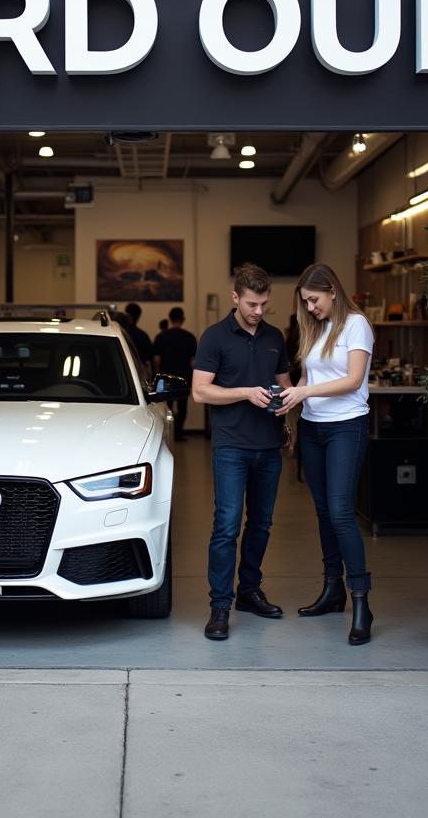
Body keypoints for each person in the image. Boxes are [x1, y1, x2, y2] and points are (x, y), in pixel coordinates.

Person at [275, 262, 375, 646]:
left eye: (314, 300)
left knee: (340, 512)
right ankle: (332, 590)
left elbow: (352, 380)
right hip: (314, 428)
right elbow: (308, 377)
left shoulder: (356, 325)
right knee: (321, 511)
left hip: (346, 426)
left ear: (332, 290)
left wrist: (304, 394)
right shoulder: (316, 328)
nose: (311, 307)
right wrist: (291, 401)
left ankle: (362, 600)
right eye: (306, 302)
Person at [192, 263, 293, 641]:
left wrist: (289, 416)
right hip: (231, 446)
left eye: (265, 304)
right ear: (236, 298)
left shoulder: (274, 337)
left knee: (262, 524)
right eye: (252, 304)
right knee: (227, 526)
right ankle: (220, 605)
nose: (259, 311)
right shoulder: (214, 337)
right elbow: (201, 391)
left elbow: (286, 384)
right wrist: (246, 392)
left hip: (269, 446)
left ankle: (249, 591)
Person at [152, 307, 197, 442]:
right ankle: (179, 434)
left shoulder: (161, 337)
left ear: (170, 318)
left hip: (166, 377)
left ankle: (166, 435)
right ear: (183, 319)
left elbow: (156, 360)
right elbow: (193, 362)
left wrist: (157, 375)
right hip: (184, 377)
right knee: (182, 406)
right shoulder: (189, 337)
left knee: (167, 406)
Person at [123, 302, 154, 379]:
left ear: (127, 315)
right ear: (138, 317)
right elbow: (148, 361)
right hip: (139, 375)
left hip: (123, 372)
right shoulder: (143, 336)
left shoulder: (121, 332)